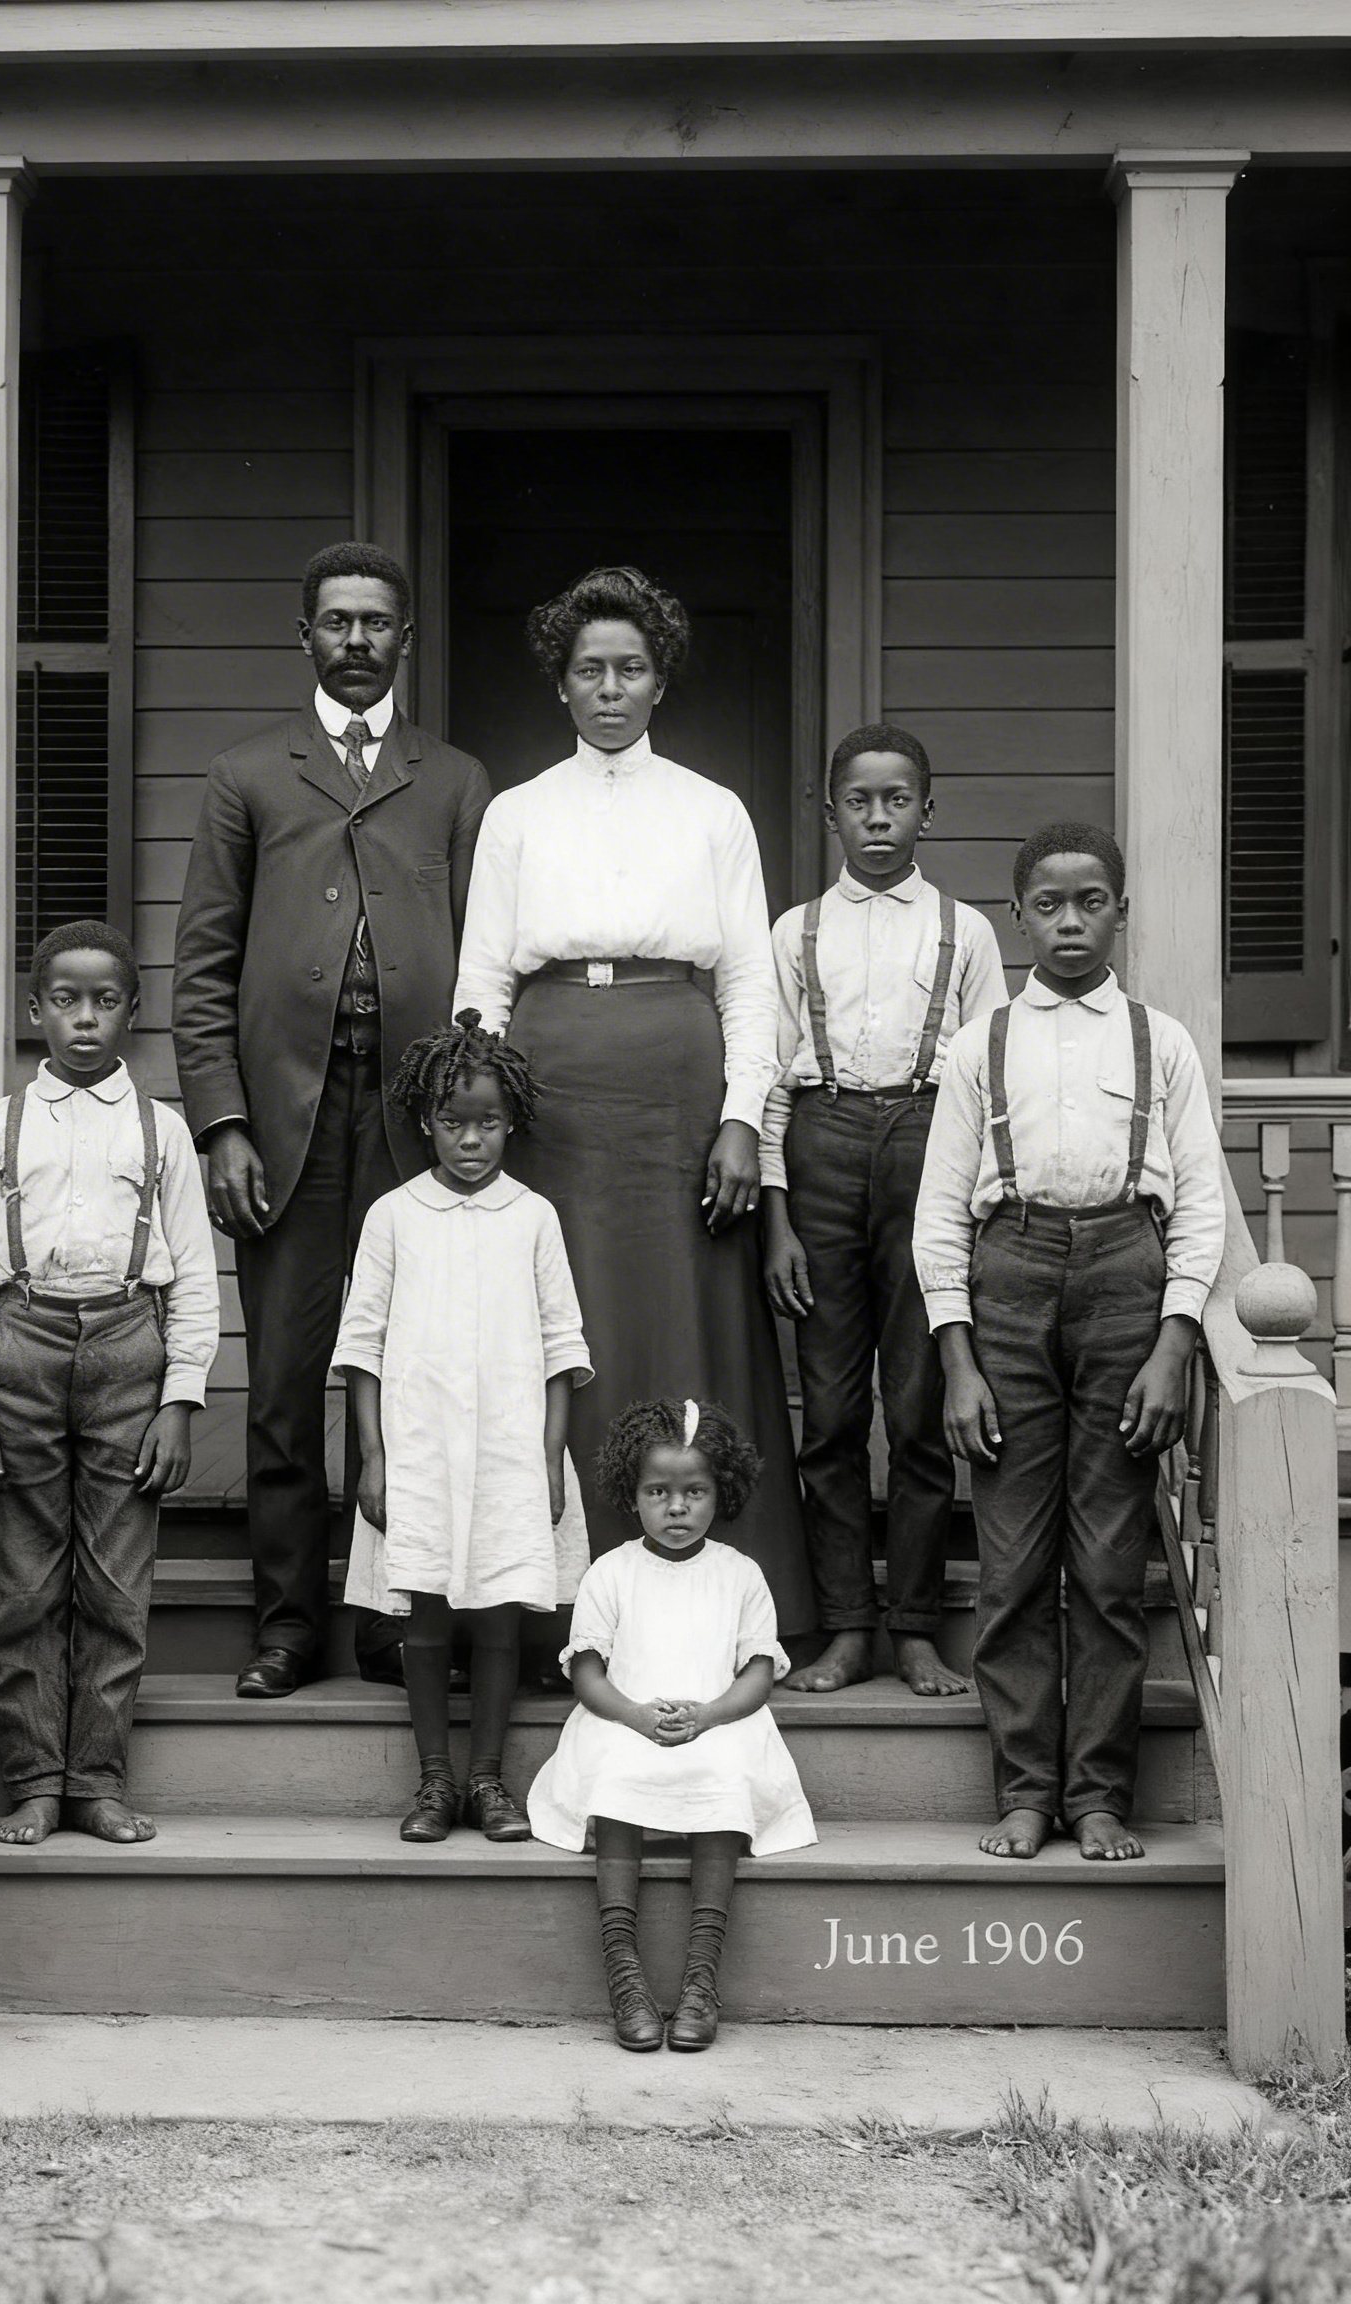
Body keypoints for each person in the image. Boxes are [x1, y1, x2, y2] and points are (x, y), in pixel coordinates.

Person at [452, 565, 812, 1635]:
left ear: (661, 684)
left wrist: (743, 1115)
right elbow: (482, 983)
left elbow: (749, 978)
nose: (610, 688)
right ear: (561, 687)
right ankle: (555, 1595)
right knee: (564, 1322)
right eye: (589, 671)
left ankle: (717, 1600)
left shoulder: (713, 811)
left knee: (684, 1321)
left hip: (677, 1082)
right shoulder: (518, 814)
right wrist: (487, 1100)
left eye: (631, 669)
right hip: (551, 1083)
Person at [173, 542, 494, 1698]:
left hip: (412, 1131)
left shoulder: (455, 781)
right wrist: (221, 1125)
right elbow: (203, 967)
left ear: (406, 639)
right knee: (285, 1388)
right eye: (336, 622)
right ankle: (288, 1624)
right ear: (303, 636)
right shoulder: (249, 772)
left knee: (412, 1382)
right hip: (289, 1126)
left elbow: (487, 956)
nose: (356, 641)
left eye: (376, 624)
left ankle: (390, 1617)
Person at [912, 825, 1224, 1864]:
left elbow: (1204, 1210)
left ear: (1120, 914)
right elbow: (939, 1215)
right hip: (1007, 1283)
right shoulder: (980, 1046)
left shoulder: (1160, 1042)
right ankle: (1026, 1792)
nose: (1072, 923)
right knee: (1010, 1564)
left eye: (1092, 903)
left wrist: (1177, 1338)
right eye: (1049, 905)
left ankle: (1097, 1794)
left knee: (1103, 1563)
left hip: (1126, 1280)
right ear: (1018, 918)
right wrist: (956, 1358)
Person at [0, 920, 220, 1848]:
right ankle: (32, 1782)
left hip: (129, 1348)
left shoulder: (163, 1130)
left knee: (114, 1582)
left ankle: (95, 1779)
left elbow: (198, 1281)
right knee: (22, 1580)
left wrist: (180, 1401)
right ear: (35, 1011)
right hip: (22, 1343)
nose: (85, 1019)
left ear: (132, 1014)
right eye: (65, 1000)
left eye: (104, 1002)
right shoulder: (0, 1126)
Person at [761, 724, 1004, 1699]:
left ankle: (912, 1625)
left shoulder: (967, 932)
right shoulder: (794, 933)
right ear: (831, 814)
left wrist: (969, 1211)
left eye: (896, 800)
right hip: (819, 1154)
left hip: (925, 1146)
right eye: (859, 801)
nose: (877, 817)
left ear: (926, 812)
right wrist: (775, 1219)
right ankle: (844, 1627)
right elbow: (771, 1086)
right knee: (826, 1412)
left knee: (913, 1407)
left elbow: (985, 1079)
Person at [333, 1011, 593, 1845]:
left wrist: (550, 1459)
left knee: (500, 1617)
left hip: (514, 1453)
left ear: (510, 1121)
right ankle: (436, 1780)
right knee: (429, 1615)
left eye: (486, 1124)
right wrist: (373, 1458)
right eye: (453, 1123)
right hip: (418, 1453)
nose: (470, 1140)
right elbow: (361, 1346)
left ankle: (487, 1779)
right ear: (425, 1123)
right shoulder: (394, 1217)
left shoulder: (534, 1217)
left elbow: (562, 1346)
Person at [528, 1397, 817, 2053]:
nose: (677, 1507)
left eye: (694, 1491)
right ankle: (623, 1966)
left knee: (720, 1777)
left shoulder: (740, 1576)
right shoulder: (612, 1573)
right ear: (633, 1496)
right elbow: (589, 1675)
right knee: (620, 1776)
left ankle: (700, 1974)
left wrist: (710, 1715)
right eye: (659, 1492)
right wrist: (633, 1715)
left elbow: (757, 1674)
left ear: (723, 1493)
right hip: (623, 1718)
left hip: (716, 1722)